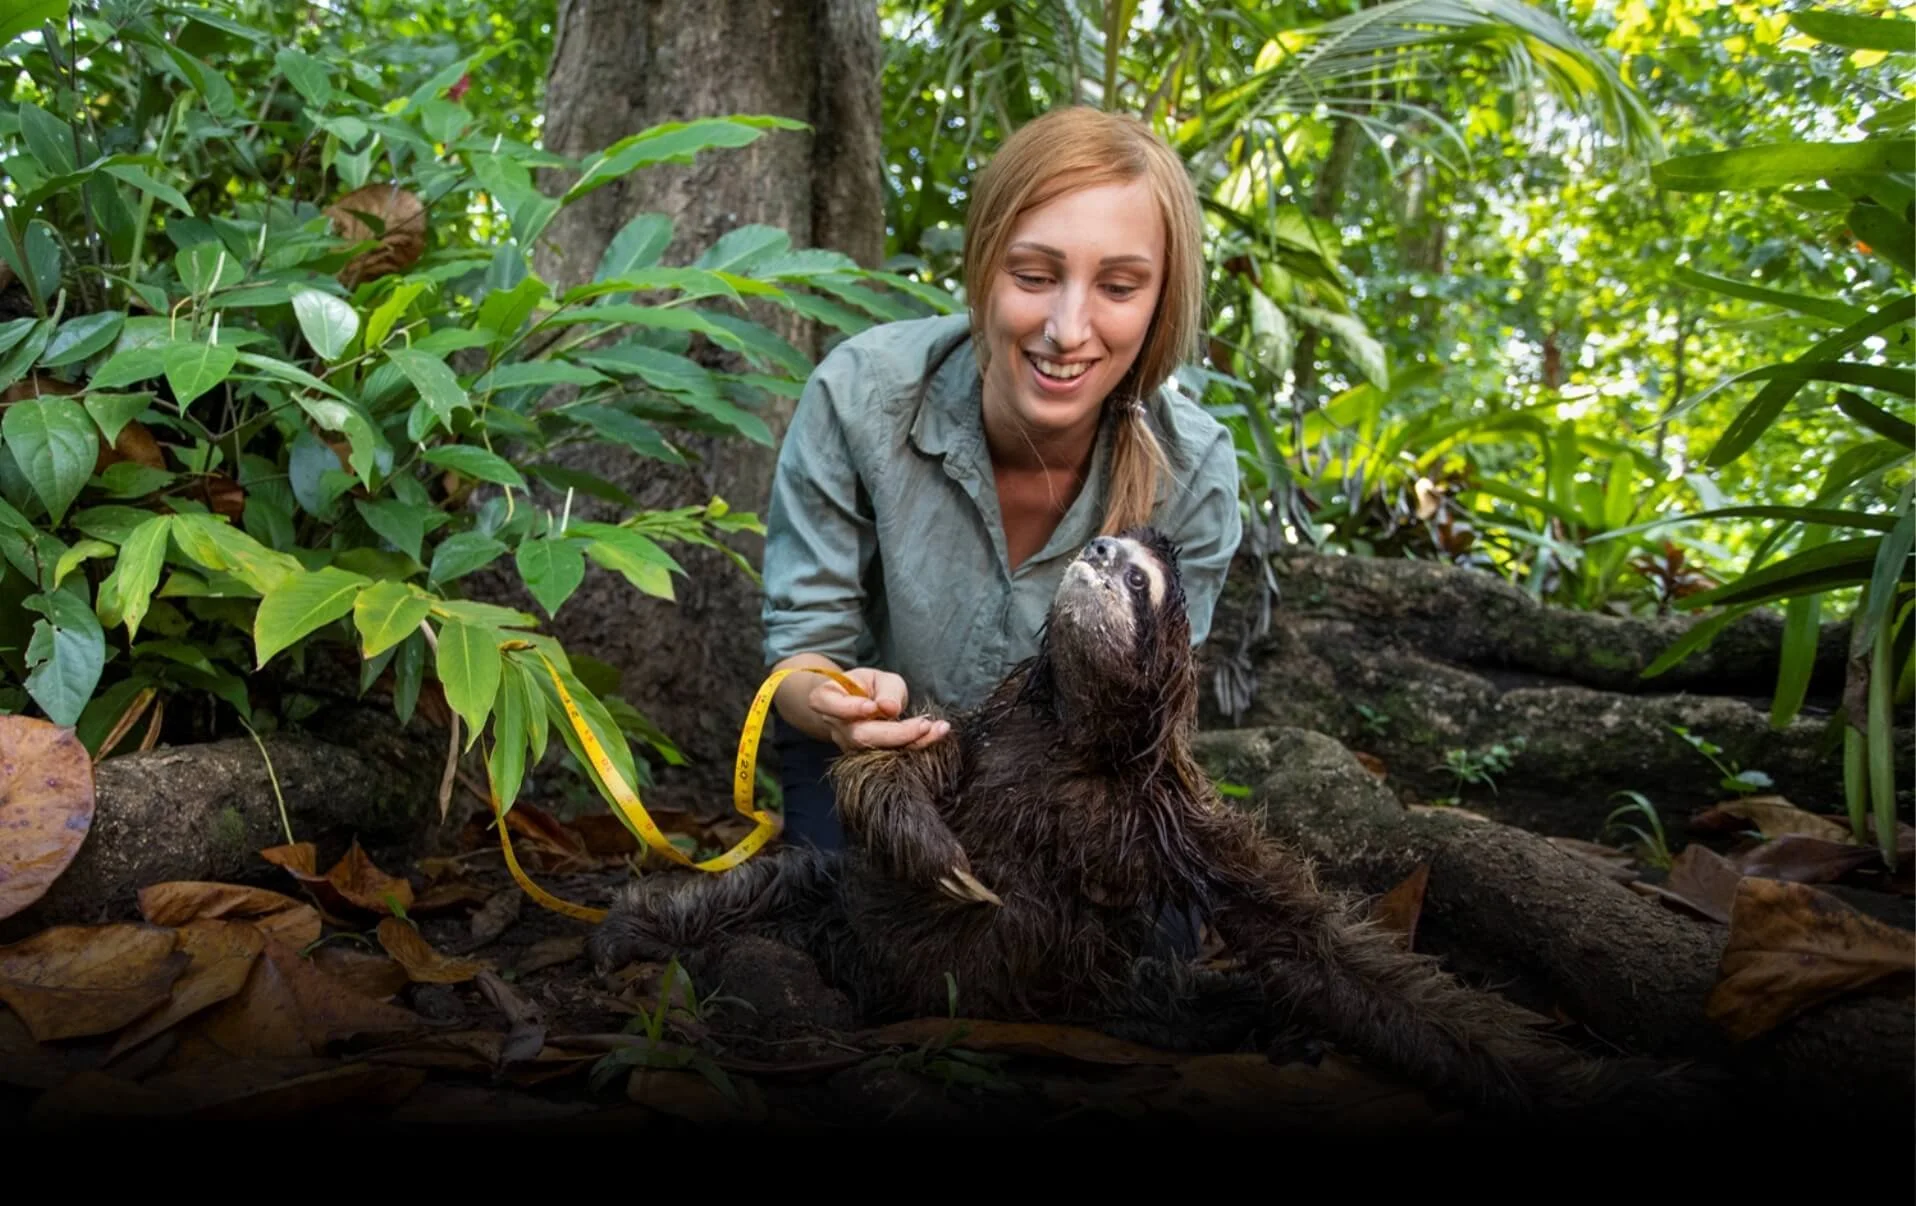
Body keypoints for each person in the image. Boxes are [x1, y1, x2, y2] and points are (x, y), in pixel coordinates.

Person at [759, 104, 1243, 858]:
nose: (1067, 328)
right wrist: (835, 703)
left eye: (1119, 287)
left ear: (1161, 302)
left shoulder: (1196, 475)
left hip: (1073, 789)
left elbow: (1145, 723)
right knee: (834, 942)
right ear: (983, 268)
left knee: (1137, 966)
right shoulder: (861, 397)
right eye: (1034, 275)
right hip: (869, 765)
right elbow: (803, 649)